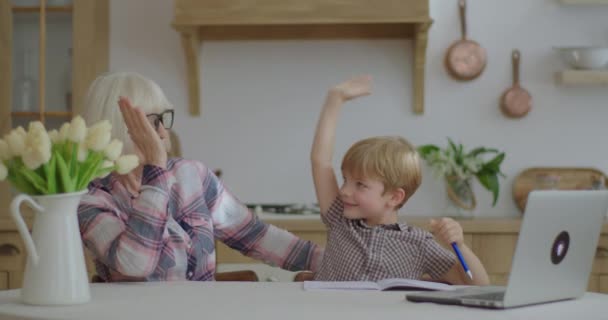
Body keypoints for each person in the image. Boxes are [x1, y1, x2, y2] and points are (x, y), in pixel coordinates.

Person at [78, 72, 323, 281]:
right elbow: (136, 265)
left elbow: (255, 235)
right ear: (119, 128)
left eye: (164, 119)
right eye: (151, 123)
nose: (164, 132)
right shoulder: (91, 200)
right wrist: (155, 171)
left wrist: (331, 264)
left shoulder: (192, 174)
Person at [310, 75, 489, 285]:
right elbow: (320, 161)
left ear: (394, 197)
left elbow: (478, 285)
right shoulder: (339, 220)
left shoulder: (419, 243)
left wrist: (459, 245)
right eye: (345, 180)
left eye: (360, 184)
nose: (344, 191)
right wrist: (335, 98)